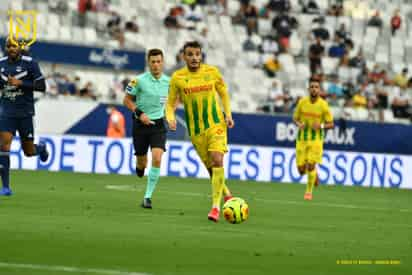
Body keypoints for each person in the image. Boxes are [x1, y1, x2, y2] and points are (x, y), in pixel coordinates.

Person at [166, 41, 234, 222]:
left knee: (217, 158)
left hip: (216, 124)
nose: (195, 57)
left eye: (198, 54)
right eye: (190, 54)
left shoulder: (212, 72)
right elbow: (170, 104)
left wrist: (228, 114)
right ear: (184, 57)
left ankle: (215, 208)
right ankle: (227, 193)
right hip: (196, 131)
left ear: (201, 55)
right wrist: (170, 118)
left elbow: (224, 92)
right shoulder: (177, 78)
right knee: (212, 169)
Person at [0, 38, 49, 196]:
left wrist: (20, 84)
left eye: (13, 46)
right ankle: (6, 187)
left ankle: (40, 148)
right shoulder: (1, 64)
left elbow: (42, 87)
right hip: (6, 112)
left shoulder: (30, 63)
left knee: (28, 151)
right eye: (8, 46)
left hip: (25, 113)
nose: (11, 49)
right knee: (3, 145)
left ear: (19, 48)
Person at [123, 49, 170, 209]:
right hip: (140, 125)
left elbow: (174, 100)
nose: (156, 65)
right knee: (142, 163)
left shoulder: (169, 82)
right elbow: (127, 100)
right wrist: (139, 113)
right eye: (153, 62)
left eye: (158, 61)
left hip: (158, 125)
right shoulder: (139, 81)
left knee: (157, 158)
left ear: (162, 63)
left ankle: (147, 197)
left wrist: (170, 115)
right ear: (148, 63)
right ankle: (139, 167)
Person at [293, 77, 334, 201]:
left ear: (320, 90)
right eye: (312, 87)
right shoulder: (302, 102)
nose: (314, 89)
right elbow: (295, 118)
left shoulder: (323, 105)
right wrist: (299, 124)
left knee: (311, 165)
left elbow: (331, 124)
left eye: (316, 87)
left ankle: (308, 192)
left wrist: (321, 126)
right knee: (301, 171)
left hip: (316, 139)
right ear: (308, 89)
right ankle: (314, 174)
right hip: (302, 139)